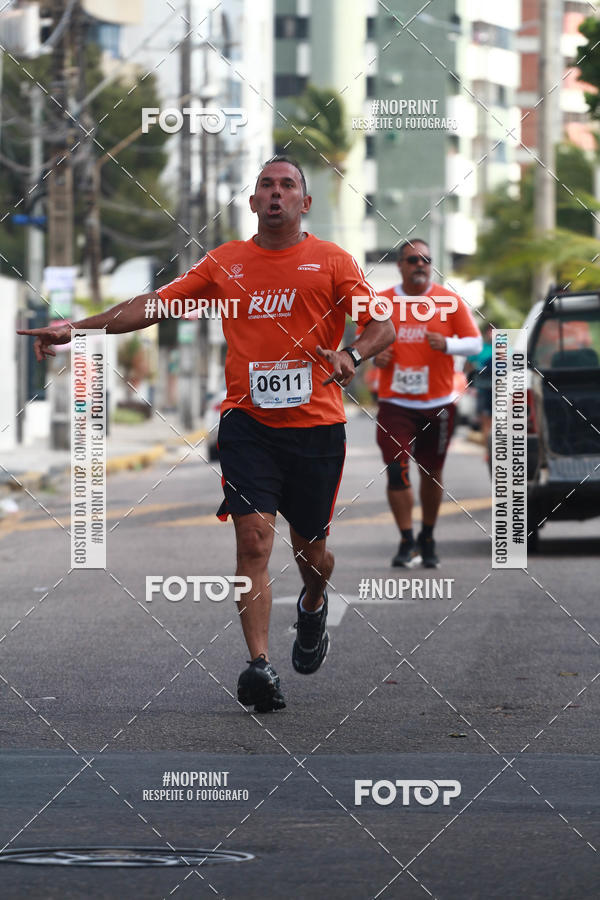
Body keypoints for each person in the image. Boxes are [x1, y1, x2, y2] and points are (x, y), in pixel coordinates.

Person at [19, 156, 394, 713]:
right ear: (252, 202)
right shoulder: (226, 264)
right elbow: (153, 306)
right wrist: (77, 327)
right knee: (253, 542)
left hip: (317, 426)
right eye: (265, 185)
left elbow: (381, 325)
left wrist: (350, 354)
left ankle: (313, 604)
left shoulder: (333, 262)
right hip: (247, 423)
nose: (275, 193)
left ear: (304, 203)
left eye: (287, 186)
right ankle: (259, 665)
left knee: (312, 552)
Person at [373, 239, 482, 568]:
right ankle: (407, 539)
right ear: (400, 265)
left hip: (438, 402)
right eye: (412, 260)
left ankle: (429, 536)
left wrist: (447, 343)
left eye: (426, 259)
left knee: (432, 472)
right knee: (396, 469)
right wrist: (376, 355)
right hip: (395, 402)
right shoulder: (384, 302)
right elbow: (365, 342)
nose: (420, 264)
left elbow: (475, 342)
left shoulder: (448, 301)